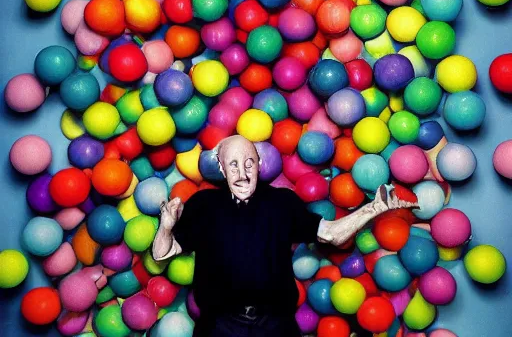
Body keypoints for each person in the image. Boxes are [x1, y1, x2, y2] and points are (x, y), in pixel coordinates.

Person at [153, 134, 416, 336]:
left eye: (248, 163)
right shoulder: (204, 204)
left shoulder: (282, 202)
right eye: (233, 165)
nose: (242, 174)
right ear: (221, 168)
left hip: (275, 324)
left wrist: (374, 207)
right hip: (219, 324)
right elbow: (163, 252)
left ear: (259, 163)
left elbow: (331, 235)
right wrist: (165, 226)